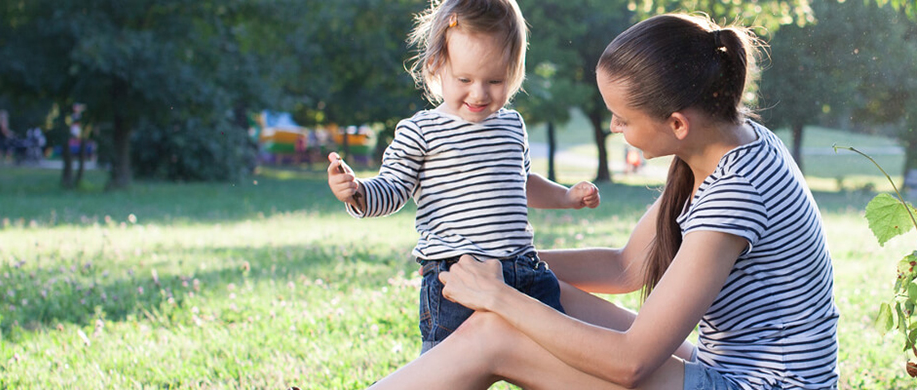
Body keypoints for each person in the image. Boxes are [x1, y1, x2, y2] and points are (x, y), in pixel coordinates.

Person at [368, 13, 838, 389]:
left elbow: (630, 364)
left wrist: (498, 293)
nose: (614, 127)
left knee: (496, 330)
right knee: (546, 295)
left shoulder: (737, 191)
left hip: (756, 385)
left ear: (677, 122)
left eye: (622, 118)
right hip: (727, 367)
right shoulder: (725, 142)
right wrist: (501, 264)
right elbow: (625, 268)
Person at [326, 0, 600, 354]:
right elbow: (394, 188)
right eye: (465, 79)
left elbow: (521, 182)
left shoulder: (511, 126)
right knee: (449, 368)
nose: (479, 93)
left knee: (560, 358)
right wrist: (357, 192)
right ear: (436, 67)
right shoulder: (420, 131)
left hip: (523, 271)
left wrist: (565, 197)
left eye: (495, 80)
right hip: (455, 278)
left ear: (514, 73)